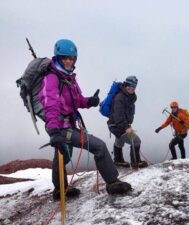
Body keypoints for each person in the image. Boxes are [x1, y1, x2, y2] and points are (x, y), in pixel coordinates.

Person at [38, 39, 131, 200]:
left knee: (63, 156)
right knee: (99, 146)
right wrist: (54, 131)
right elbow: (50, 104)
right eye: (64, 58)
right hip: (60, 126)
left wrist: (89, 101)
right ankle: (113, 183)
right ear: (58, 58)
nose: (68, 61)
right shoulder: (52, 78)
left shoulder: (69, 78)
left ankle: (60, 189)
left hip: (68, 124)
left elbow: (77, 100)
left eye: (71, 58)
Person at [107, 76, 148, 168]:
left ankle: (118, 161)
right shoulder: (120, 97)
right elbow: (118, 116)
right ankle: (135, 162)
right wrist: (126, 127)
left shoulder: (129, 97)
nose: (132, 88)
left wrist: (127, 125)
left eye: (134, 87)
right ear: (126, 85)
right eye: (130, 86)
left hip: (117, 124)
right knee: (136, 141)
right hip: (117, 125)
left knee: (119, 141)